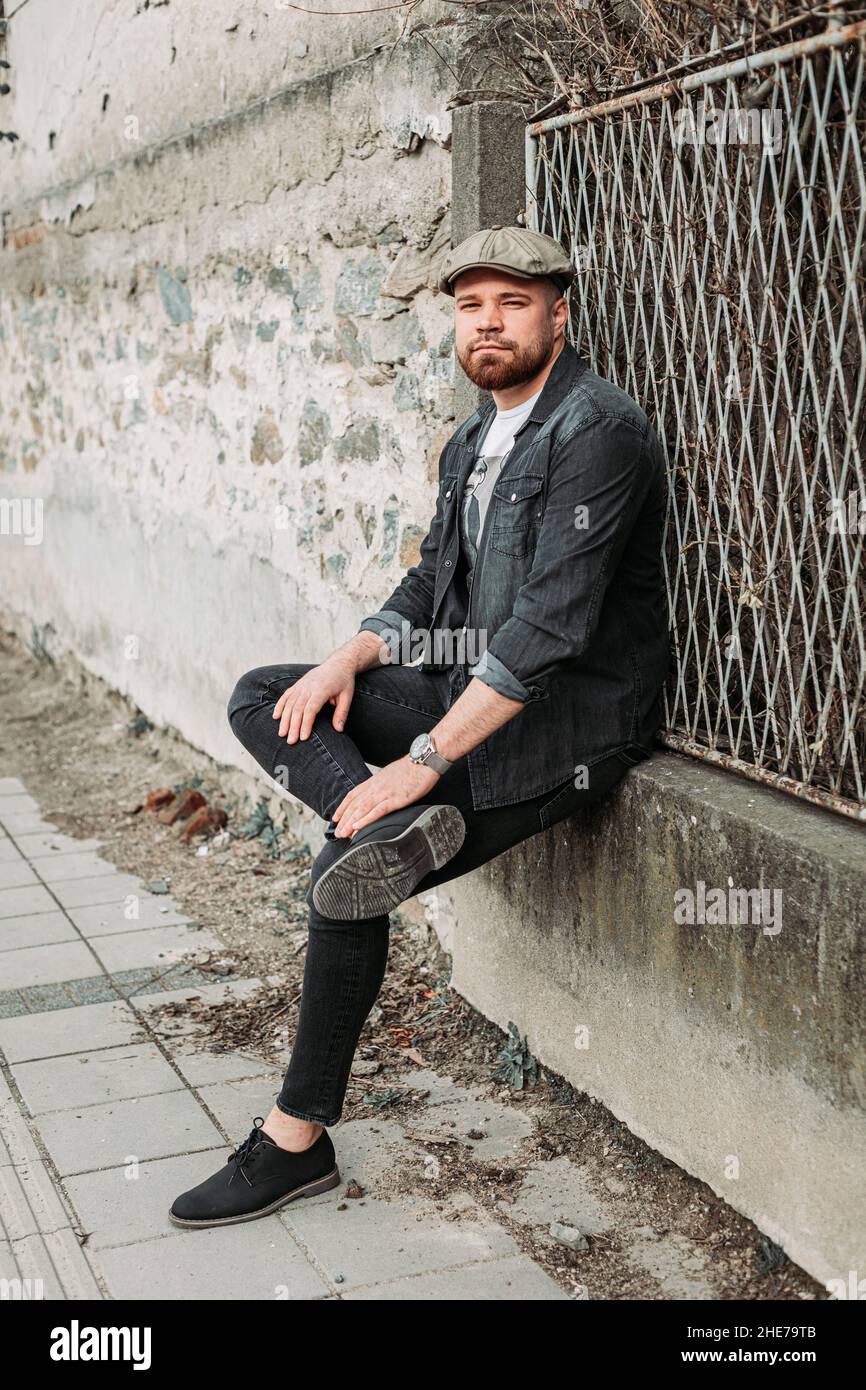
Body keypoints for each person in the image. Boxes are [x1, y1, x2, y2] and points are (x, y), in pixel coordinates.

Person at [169, 225, 670, 1228]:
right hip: (459, 691)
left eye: (512, 303)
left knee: (337, 882)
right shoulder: (470, 439)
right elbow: (425, 579)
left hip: (562, 729)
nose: (487, 323)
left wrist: (421, 763)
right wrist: (349, 656)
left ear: (557, 314)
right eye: (468, 305)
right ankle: (380, 831)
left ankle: (293, 1142)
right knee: (267, 693)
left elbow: (541, 635)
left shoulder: (599, 431)